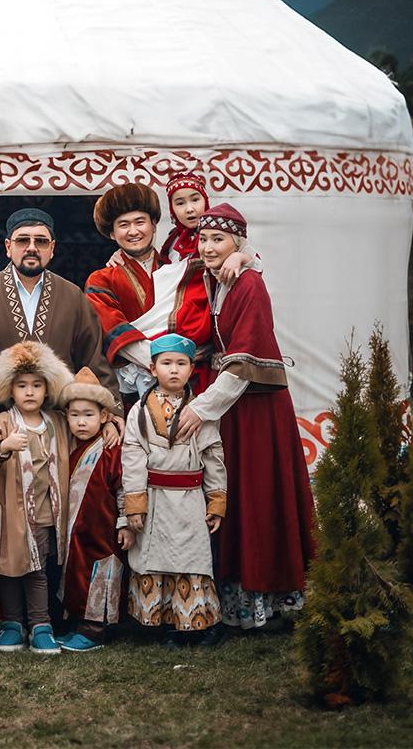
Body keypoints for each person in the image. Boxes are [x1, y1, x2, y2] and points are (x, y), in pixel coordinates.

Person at [179, 204, 315, 630]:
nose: (209, 246)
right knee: (238, 496)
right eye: (203, 238)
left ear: (238, 242)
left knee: (259, 497)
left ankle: (270, 600)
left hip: (257, 407)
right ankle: (240, 601)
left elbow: (240, 364)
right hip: (236, 409)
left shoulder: (249, 284)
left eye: (219, 239)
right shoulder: (216, 278)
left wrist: (199, 408)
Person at [86, 182, 248, 400]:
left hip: (194, 382)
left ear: (154, 225)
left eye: (140, 222)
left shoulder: (180, 267)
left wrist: (243, 255)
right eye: (123, 225)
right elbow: (113, 331)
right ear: (112, 234)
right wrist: (165, 363)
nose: (133, 231)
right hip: (135, 391)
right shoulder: (101, 280)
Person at [0, 207, 121, 414]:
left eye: (41, 241)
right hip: (2, 423)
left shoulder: (72, 295)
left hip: (63, 422)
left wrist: (111, 410)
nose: (32, 248)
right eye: (23, 240)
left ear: (52, 248)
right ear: (8, 246)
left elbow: (93, 359)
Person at [121, 334, 227, 648]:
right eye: (166, 363)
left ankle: (201, 625)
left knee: (191, 560)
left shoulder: (200, 412)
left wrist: (216, 499)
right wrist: (135, 502)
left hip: (190, 503)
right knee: (157, 559)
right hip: (153, 500)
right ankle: (168, 624)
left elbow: (213, 454)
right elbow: (132, 454)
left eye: (181, 363)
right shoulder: (138, 412)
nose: (174, 370)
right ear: (152, 369)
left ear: (191, 368)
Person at [0, 341, 75, 654]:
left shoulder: (57, 422)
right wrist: (4, 446)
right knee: (7, 568)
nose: (30, 392)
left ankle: (40, 624)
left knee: (37, 569)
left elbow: (83, 431)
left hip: (45, 513)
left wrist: (112, 421)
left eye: (37, 385)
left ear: (48, 390)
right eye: (22, 386)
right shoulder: (4, 422)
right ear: (10, 390)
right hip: (8, 512)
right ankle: (13, 623)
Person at [55, 368, 131, 652]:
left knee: (102, 575)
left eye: (89, 415)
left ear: (104, 417)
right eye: (74, 415)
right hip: (76, 529)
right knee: (75, 574)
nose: (81, 422)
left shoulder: (112, 448)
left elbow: (123, 486)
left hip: (104, 528)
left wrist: (125, 522)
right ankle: (76, 624)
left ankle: (95, 630)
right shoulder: (67, 444)